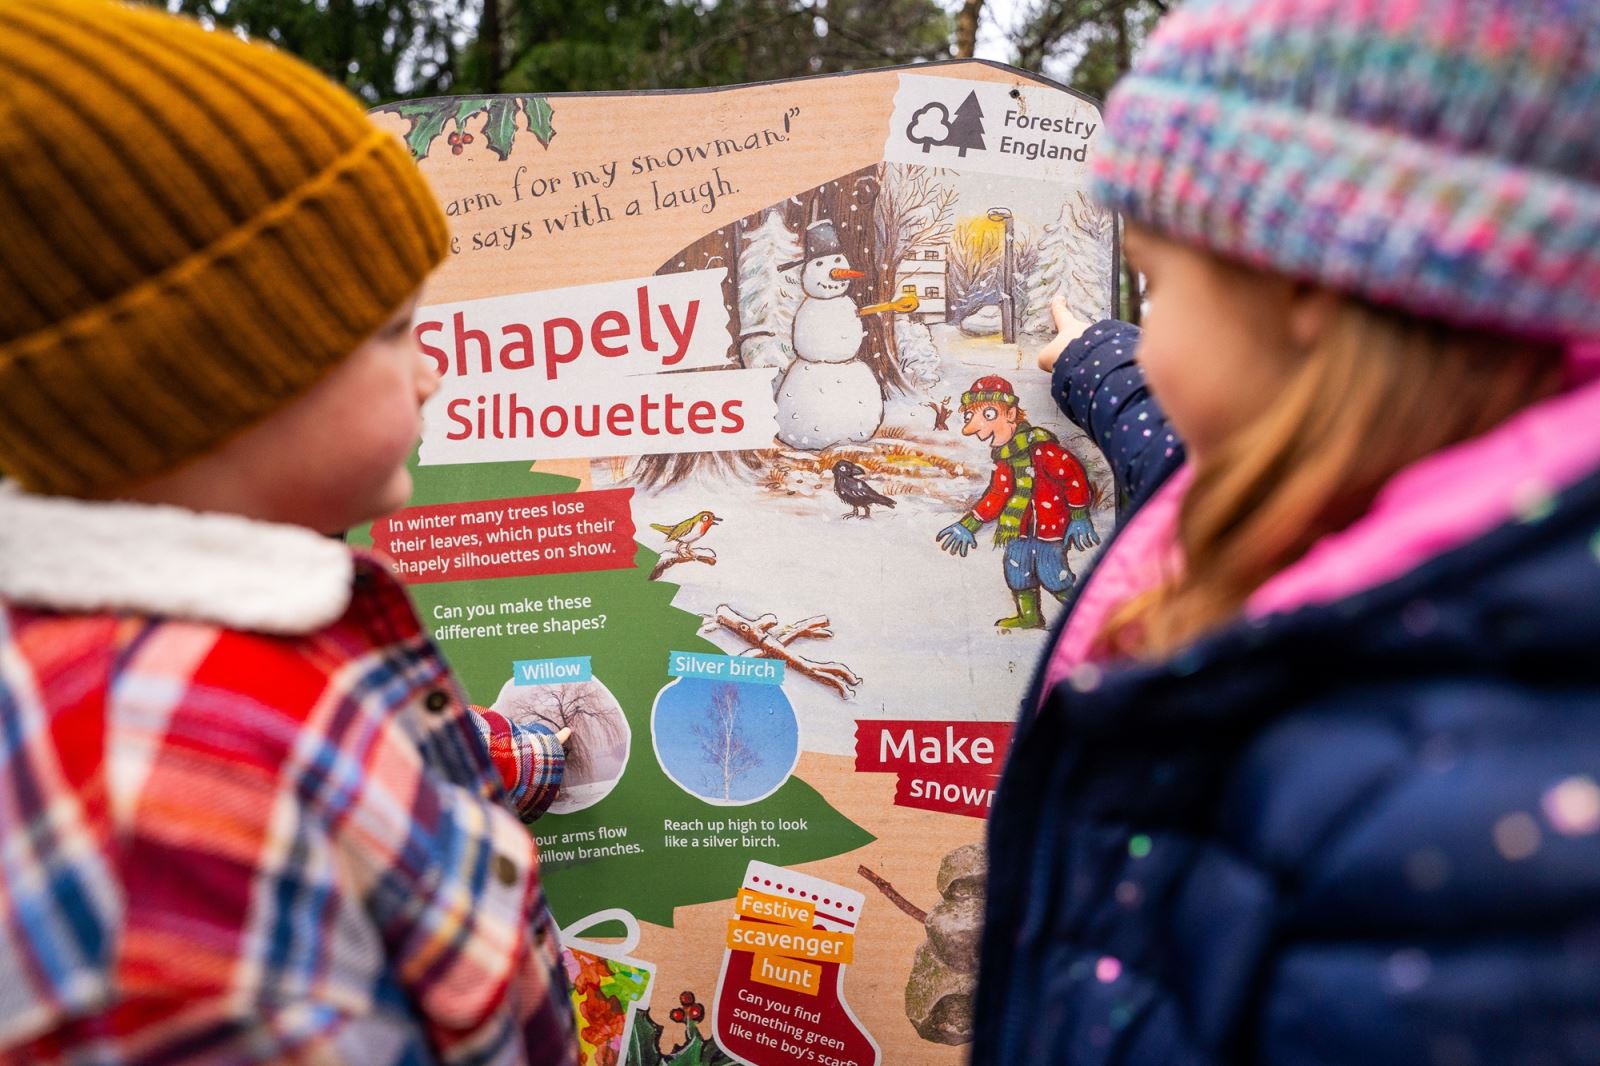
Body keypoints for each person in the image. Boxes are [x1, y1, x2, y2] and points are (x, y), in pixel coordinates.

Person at [973, 1, 1600, 1062]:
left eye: (1162, 288)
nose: (1152, 336)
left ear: (1306, 284)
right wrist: (1093, 356)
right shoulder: (1353, 517)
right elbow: (1164, 442)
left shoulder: (1446, 844)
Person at [0, 2, 578, 1062]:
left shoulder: (225, 651)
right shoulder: (164, 835)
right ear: (212, 379)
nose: (431, 369)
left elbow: (370, 760)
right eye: (394, 329)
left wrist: (538, 753)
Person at [935, 375, 1100, 629]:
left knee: (1053, 575)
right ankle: (1029, 617)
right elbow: (997, 496)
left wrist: (1079, 515)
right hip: (1018, 530)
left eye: (988, 414)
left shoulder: (1042, 449)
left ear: (1010, 413)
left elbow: (1073, 475)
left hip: (1049, 529)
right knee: (1017, 572)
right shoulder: (1004, 459)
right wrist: (969, 524)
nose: (973, 425)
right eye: (969, 416)